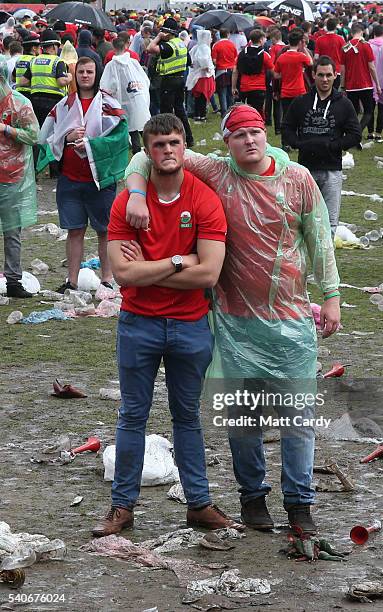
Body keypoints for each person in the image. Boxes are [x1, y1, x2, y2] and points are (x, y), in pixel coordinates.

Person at [124, 104, 341, 534]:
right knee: (244, 420)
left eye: (256, 132)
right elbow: (147, 155)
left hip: (292, 321)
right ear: (227, 142)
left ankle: (299, 504)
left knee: (298, 420)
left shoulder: (295, 178)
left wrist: (331, 297)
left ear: (266, 135)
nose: (249, 140)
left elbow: (319, 238)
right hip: (236, 323)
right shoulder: (219, 173)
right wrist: (134, 192)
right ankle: (252, 497)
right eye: (239, 134)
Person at [91, 113, 244, 537]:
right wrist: (181, 259)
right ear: (147, 151)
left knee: (188, 417)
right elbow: (123, 274)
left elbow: (209, 274)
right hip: (138, 322)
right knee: (132, 416)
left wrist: (152, 267)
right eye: (159, 145)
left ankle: (199, 503)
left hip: (190, 324)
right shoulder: (128, 202)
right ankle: (122, 507)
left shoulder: (204, 198)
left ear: (184, 147)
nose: (168, 151)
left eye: (174, 143)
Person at [37, 57, 129, 292]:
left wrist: (90, 145)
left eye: (90, 72)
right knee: (74, 230)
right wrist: (67, 137)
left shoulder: (108, 103)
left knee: (104, 230)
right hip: (70, 178)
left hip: (100, 179)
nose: (85, 76)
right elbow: (48, 135)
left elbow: (120, 139)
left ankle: (107, 279)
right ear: (75, 75)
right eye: (81, 72)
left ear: (96, 74)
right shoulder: (65, 104)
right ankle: (72, 281)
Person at [282, 56, 361, 237]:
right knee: (302, 219)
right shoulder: (301, 101)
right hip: (305, 169)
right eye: (320, 75)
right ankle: (303, 262)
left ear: (335, 76)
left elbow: (355, 134)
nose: (325, 79)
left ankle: (326, 264)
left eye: (328, 75)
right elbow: (286, 126)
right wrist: (298, 144)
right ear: (313, 75)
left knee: (330, 222)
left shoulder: (344, 104)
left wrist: (334, 146)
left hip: (332, 169)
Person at [0, 55, 39, 298]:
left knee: (12, 230)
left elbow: (33, 135)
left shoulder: (19, 103)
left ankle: (13, 280)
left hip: (11, 176)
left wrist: (6, 129)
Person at [147, 17, 193, 147]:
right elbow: (189, 62)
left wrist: (158, 37)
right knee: (180, 110)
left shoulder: (168, 46)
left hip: (169, 81)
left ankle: (167, 138)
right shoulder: (180, 43)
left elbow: (150, 48)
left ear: (167, 32)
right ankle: (188, 138)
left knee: (166, 111)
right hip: (180, 79)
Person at [100, 36, 150, 155]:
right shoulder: (133, 62)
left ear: (113, 47)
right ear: (126, 46)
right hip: (137, 98)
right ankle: (151, 145)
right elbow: (145, 80)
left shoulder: (112, 65)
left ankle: (137, 151)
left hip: (123, 101)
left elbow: (107, 86)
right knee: (142, 125)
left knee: (132, 128)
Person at [274, 30, 312, 149]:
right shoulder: (301, 56)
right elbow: (311, 62)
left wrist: (284, 75)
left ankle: (285, 143)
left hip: (286, 92)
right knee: (302, 117)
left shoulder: (282, 57)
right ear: (300, 42)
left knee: (286, 118)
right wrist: (304, 48)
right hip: (299, 91)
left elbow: (275, 75)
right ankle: (301, 141)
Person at [340, 22, 381, 133]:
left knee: (354, 112)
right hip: (365, 84)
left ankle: (352, 132)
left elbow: (342, 69)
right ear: (362, 31)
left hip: (351, 85)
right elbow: (371, 67)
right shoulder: (366, 45)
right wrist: (377, 84)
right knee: (368, 112)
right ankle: (357, 132)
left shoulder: (345, 47)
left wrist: (342, 85)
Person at [233, 29, 274, 118]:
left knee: (245, 111)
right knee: (258, 112)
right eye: (264, 39)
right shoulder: (265, 55)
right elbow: (273, 71)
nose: (265, 40)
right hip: (259, 88)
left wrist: (233, 87)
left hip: (244, 87)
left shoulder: (242, 53)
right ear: (260, 40)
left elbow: (235, 70)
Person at [186, 29, 215, 122]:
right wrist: (206, 66)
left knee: (198, 97)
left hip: (197, 75)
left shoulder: (196, 47)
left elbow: (191, 58)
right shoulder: (204, 47)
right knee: (202, 96)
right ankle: (202, 115)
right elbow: (203, 59)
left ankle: (197, 115)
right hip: (203, 76)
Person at [211, 28, 237, 117]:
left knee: (222, 92)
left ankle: (224, 112)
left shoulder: (216, 45)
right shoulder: (232, 45)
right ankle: (231, 111)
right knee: (230, 91)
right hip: (231, 71)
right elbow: (235, 57)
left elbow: (214, 60)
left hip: (221, 71)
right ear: (228, 34)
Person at [314, 18, 344, 89]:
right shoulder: (340, 39)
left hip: (322, 71)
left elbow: (316, 57)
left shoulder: (319, 39)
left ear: (326, 27)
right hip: (336, 71)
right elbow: (345, 54)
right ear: (335, 27)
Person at [13, 33, 40, 99]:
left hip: (18, 94)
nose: (40, 48)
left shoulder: (19, 59)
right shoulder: (35, 60)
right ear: (34, 48)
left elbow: (13, 78)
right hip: (30, 94)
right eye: (39, 46)